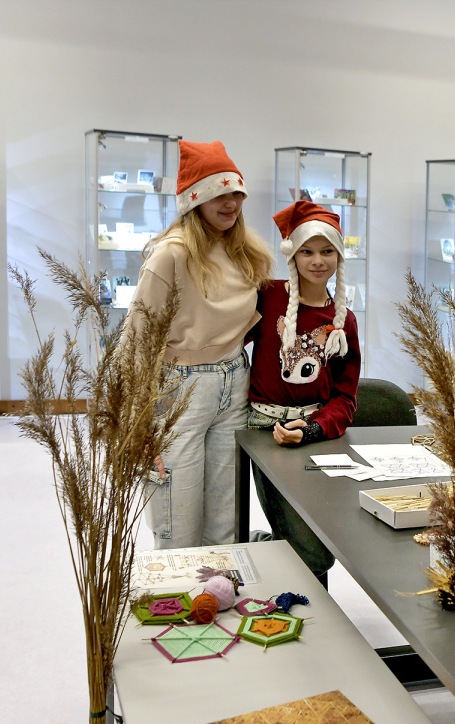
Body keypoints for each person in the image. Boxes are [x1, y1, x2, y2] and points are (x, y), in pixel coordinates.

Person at [126, 140, 273, 549]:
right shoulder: (170, 255)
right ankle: (178, 590)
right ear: (194, 200)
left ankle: (219, 587)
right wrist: (138, 425)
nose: (231, 203)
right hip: (180, 388)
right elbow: (136, 341)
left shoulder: (245, 253)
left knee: (226, 522)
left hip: (235, 380)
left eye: (237, 193)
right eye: (217, 194)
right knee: (178, 520)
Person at [245, 201, 361, 584]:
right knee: (311, 550)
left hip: (315, 433)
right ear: (292, 253)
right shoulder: (267, 296)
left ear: (339, 256)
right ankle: (262, 546)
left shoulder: (344, 322)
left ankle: (285, 570)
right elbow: (227, 342)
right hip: (265, 431)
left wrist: (312, 429)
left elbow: (345, 398)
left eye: (327, 251)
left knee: (319, 543)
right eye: (307, 251)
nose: (317, 261)